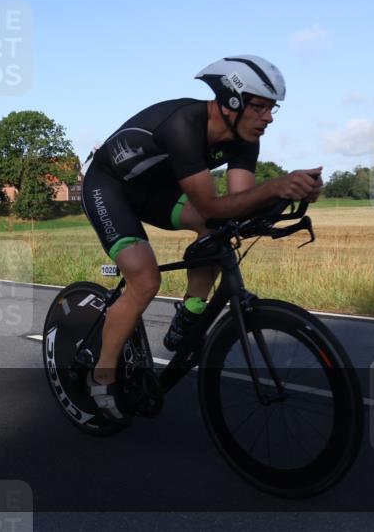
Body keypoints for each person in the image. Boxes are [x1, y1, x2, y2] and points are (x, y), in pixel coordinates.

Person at [80, 55, 323, 420]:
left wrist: (291, 192)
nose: (268, 118)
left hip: (156, 192)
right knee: (145, 281)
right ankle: (101, 376)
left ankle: (189, 316)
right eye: (259, 107)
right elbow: (209, 204)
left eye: (271, 109)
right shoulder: (184, 125)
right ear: (231, 102)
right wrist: (275, 186)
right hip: (110, 188)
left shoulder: (245, 137)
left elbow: (238, 204)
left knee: (217, 232)